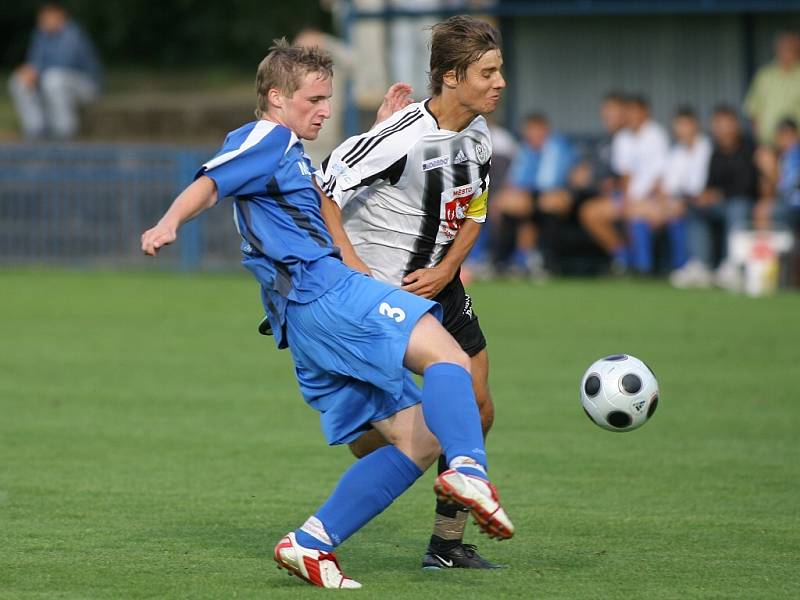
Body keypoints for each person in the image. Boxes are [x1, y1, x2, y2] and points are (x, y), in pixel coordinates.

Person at [140, 38, 513, 590]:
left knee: (419, 439)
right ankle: (470, 471)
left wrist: (380, 127)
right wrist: (170, 221)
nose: (324, 111)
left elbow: (311, 194)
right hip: (326, 291)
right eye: (314, 100)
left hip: (301, 319)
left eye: (327, 100)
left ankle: (311, 543)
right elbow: (210, 181)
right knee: (448, 357)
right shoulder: (266, 137)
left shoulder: (288, 150)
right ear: (275, 96)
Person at [315, 15, 506, 570]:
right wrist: (351, 266)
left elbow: (475, 206)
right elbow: (324, 187)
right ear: (450, 76)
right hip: (385, 297)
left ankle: (446, 545)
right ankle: (373, 436)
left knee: (479, 407)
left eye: (500, 71)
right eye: (487, 73)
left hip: (440, 286)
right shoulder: (401, 136)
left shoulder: (478, 130)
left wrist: (449, 267)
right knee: (427, 428)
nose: (499, 83)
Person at [670, 105, 757, 288]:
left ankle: (732, 266)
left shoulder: (749, 147)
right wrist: (705, 196)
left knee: (737, 208)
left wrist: (719, 195)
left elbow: (746, 186)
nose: (722, 129)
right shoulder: (715, 152)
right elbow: (711, 183)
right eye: (718, 124)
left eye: (726, 124)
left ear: (735, 125)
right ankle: (700, 266)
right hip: (720, 203)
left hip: (744, 203)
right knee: (694, 209)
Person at [491, 112, 576, 275]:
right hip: (532, 196)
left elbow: (551, 182)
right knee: (506, 202)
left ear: (545, 129)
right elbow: (516, 180)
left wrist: (527, 195)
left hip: (555, 196)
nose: (532, 134)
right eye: (529, 130)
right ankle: (502, 261)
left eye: (536, 130)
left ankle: (547, 261)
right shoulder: (525, 149)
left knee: (548, 202)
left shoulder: (558, 146)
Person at [8, 3, 102, 139]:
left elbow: (65, 63)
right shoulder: (41, 34)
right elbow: (34, 61)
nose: (43, 20)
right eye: (42, 17)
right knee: (18, 81)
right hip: (52, 80)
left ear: (60, 16)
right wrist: (28, 72)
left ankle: (65, 131)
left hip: (87, 86)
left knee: (53, 80)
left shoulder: (73, 34)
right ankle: (36, 130)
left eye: (47, 17)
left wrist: (35, 72)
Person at [744, 31, 800, 146]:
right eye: (784, 47)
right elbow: (753, 110)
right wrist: (761, 141)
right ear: (777, 49)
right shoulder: (764, 75)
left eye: (792, 48)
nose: (787, 51)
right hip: (769, 145)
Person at [753, 118, 800, 231]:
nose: (786, 139)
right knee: (761, 209)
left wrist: (770, 170)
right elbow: (769, 193)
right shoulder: (781, 157)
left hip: (794, 205)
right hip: (787, 204)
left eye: (789, 135)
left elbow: (788, 187)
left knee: (771, 212)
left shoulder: (795, 154)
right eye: (782, 135)